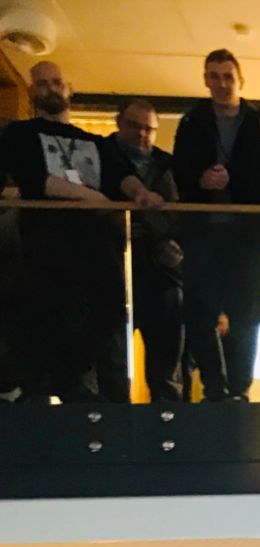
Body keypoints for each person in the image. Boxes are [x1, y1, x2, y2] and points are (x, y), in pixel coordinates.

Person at [0, 60, 163, 403]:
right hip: (45, 243)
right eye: (42, 83)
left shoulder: (95, 142)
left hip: (95, 242)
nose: (51, 89)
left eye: (56, 82)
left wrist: (141, 193)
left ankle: (66, 379)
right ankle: (43, 387)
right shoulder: (20, 134)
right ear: (31, 91)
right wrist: (92, 197)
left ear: (68, 87)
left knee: (110, 311)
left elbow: (121, 174)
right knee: (47, 315)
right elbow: (35, 179)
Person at [172, 48, 260, 402]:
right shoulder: (191, 123)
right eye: (214, 77)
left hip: (250, 236)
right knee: (200, 314)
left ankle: (239, 390)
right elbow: (179, 170)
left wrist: (232, 178)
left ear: (240, 80)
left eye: (228, 77)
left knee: (246, 317)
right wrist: (201, 179)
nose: (221, 84)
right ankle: (214, 389)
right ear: (206, 80)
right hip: (202, 233)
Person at [110, 98, 185, 403]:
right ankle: (112, 420)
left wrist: (175, 246)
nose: (141, 134)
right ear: (119, 123)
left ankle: (169, 417)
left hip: (161, 269)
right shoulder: (102, 156)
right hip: (112, 266)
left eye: (148, 129)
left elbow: (181, 216)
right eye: (134, 126)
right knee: (113, 358)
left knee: (166, 359)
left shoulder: (168, 165)